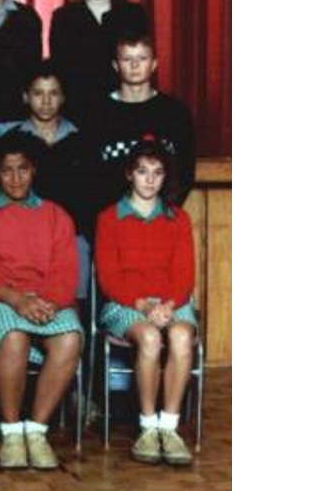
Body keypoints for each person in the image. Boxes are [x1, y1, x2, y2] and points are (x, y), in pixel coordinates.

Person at [0, 136, 83, 470]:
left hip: (43, 300)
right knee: (13, 335)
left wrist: (46, 302)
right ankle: (11, 433)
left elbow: (65, 272)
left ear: (34, 170)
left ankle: (36, 431)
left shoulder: (56, 215)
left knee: (70, 337)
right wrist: (16, 299)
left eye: (23, 169)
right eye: (6, 170)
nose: (15, 178)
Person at [95, 140, 197, 466]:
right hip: (126, 303)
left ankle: (169, 426)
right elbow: (108, 277)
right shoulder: (109, 218)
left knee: (181, 335)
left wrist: (168, 305)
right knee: (150, 337)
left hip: (171, 302)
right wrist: (142, 306)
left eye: (157, 172)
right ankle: (148, 427)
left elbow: (184, 275)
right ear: (129, 174)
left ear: (166, 177)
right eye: (142, 171)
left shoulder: (178, 218)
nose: (150, 180)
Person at [0, 64, 97, 298]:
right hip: (23, 238)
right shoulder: (12, 140)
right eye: (38, 93)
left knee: (70, 302)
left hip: (72, 237)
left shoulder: (81, 140)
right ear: (26, 97)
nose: (46, 101)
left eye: (53, 93)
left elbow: (91, 195)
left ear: (63, 97)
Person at [48, 0, 150, 126]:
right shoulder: (63, 18)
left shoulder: (134, 15)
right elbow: (60, 73)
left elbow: (143, 69)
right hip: (77, 115)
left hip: (124, 112)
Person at [92, 33, 196, 210]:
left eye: (142, 58)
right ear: (116, 65)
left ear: (154, 64)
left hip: (161, 216)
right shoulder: (97, 113)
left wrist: (161, 212)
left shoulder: (176, 113)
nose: (135, 65)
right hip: (112, 218)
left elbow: (185, 173)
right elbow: (90, 176)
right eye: (127, 59)